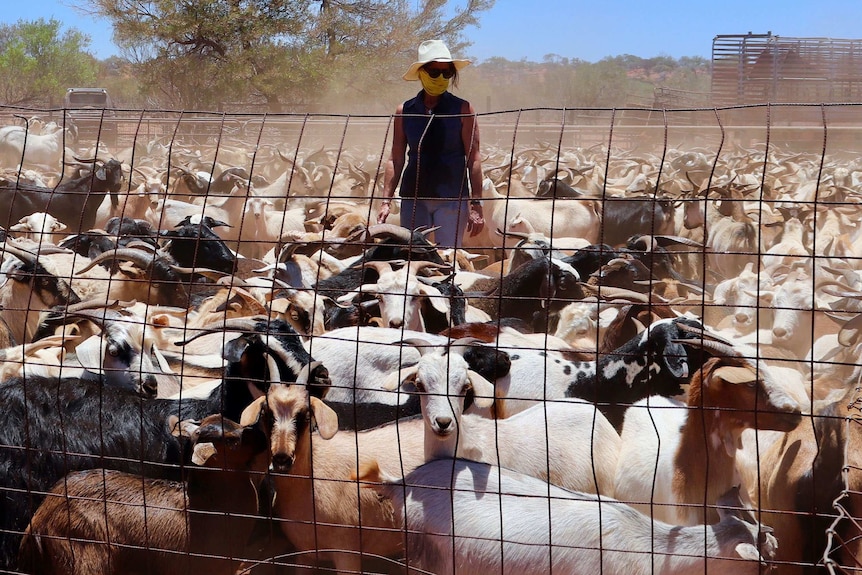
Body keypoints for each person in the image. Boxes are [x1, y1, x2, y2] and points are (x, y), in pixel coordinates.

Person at [377, 39, 485, 248]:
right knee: (414, 254)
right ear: (422, 73)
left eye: (447, 73)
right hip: (414, 197)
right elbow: (396, 158)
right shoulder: (405, 110)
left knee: (449, 256)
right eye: (434, 72)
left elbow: (474, 157)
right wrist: (386, 201)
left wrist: (477, 203)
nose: (441, 78)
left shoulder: (463, 109)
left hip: (452, 198)